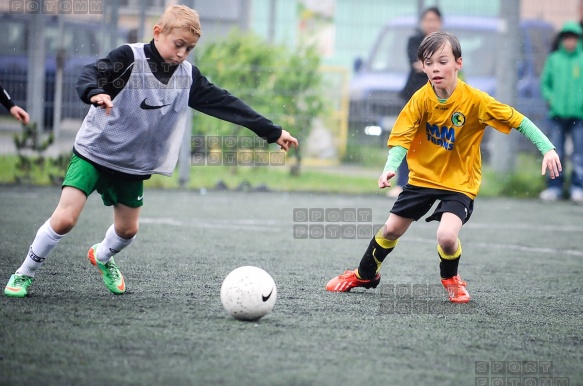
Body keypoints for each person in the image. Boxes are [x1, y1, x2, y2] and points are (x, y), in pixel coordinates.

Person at [4, 5, 298, 298]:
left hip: (132, 165)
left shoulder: (187, 77)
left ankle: (102, 256)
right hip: (94, 153)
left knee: (128, 231)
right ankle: (24, 273)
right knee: (65, 218)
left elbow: (226, 103)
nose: (182, 53)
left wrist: (272, 132)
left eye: (190, 48)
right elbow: (90, 73)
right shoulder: (130, 58)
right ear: (158, 32)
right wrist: (95, 92)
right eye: (178, 44)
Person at [326, 32, 561, 303]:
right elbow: (402, 138)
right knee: (391, 230)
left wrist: (547, 149)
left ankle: (451, 279)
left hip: (460, 182)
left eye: (443, 61)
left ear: (458, 63)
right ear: (422, 67)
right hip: (423, 177)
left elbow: (518, 120)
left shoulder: (476, 100)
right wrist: (390, 167)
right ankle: (364, 274)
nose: (436, 68)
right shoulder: (421, 99)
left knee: (447, 237)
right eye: (429, 62)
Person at [388, 7, 443, 199]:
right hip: (413, 97)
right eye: (427, 20)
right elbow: (417, 63)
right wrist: (437, 62)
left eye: (434, 20)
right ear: (422, 22)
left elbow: (431, 65)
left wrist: (429, 64)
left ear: (440, 23)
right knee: (407, 139)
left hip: (437, 100)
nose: (431, 23)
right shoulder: (414, 41)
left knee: (436, 141)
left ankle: (434, 184)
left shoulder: (447, 42)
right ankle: (401, 183)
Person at [539, 21, 583, 203]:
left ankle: (577, 187)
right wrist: (550, 98)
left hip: (579, 115)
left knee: (579, 154)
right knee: (554, 152)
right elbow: (545, 83)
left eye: (573, 38)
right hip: (557, 115)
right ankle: (554, 187)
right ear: (562, 40)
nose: (570, 42)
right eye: (567, 38)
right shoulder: (554, 59)